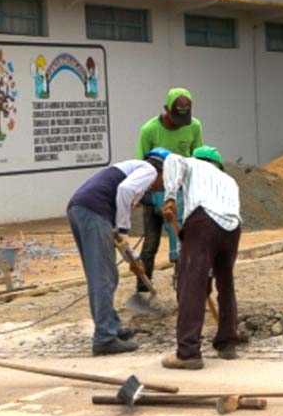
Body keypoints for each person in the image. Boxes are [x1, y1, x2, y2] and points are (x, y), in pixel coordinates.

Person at [66, 148, 169, 355]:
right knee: (103, 277)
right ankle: (105, 338)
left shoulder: (130, 170)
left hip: (81, 209)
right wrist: (124, 229)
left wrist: (133, 258)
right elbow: (125, 191)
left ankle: (110, 326)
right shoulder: (148, 170)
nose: (161, 186)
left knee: (102, 275)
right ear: (161, 170)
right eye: (165, 179)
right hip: (93, 211)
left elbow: (117, 234)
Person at [159, 145, 242, 370]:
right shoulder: (230, 180)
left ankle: (188, 352)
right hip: (232, 229)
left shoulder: (192, 164)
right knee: (226, 284)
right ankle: (227, 343)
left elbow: (172, 159)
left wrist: (170, 197)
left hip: (203, 222)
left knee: (191, 285)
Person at [131, 87, 203, 311]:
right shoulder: (149, 130)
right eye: (176, 116)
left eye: (184, 116)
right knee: (150, 245)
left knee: (180, 245)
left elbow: (198, 159)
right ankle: (143, 294)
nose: (181, 123)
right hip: (155, 192)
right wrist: (143, 193)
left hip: (181, 194)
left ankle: (184, 291)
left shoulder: (194, 126)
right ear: (166, 109)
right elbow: (141, 164)